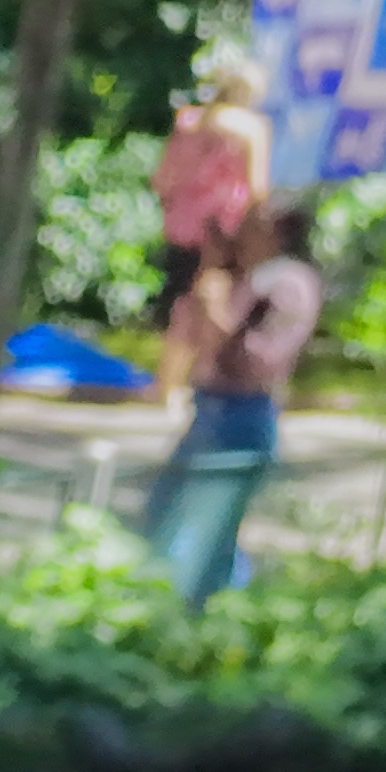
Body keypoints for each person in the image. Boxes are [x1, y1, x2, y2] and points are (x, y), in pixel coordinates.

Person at [155, 190, 325, 603]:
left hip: (238, 413)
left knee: (192, 519)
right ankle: (217, 609)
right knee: (201, 520)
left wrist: (215, 310)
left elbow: (251, 357)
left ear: (277, 230)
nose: (242, 232)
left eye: (253, 223)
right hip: (218, 408)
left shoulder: (284, 281)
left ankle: (198, 610)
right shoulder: (257, 276)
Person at [149, 42, 270, 333]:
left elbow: (163, 178)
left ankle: (170, 372)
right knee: (214, 299)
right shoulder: (251, 127)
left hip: (182, 224)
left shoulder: (189, 121)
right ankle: (205, 370)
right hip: (223, 227)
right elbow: (257, 187)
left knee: (181, 299)